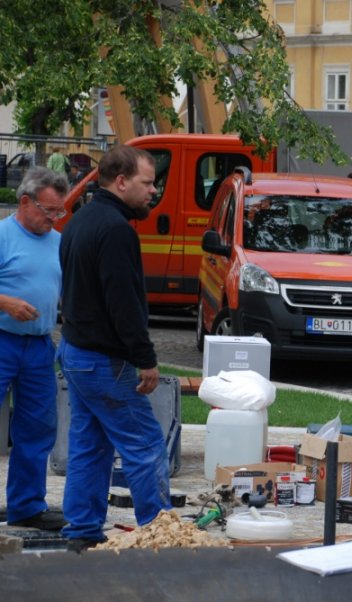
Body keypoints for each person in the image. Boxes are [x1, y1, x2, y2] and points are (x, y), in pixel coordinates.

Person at [57, 145, 171, 552]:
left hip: (75, 353)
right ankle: (161, 534)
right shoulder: (117, 230)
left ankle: (82, 531)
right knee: (145, 446)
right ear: (121, 182)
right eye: (147, 183)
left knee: (89, 446)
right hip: (105, 361)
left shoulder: (79, 220)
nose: (153, 191)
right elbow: (123, 304)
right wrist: (145, 359)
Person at [0, 167, 69, 531]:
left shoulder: (59, 242)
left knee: (38, 427)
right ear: (25, 201)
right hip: (2, 339)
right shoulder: (2, 235)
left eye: (60, 211)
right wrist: (6, 303)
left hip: (40, 346)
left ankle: (26, 506)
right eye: (48, 210)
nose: (54, 218)